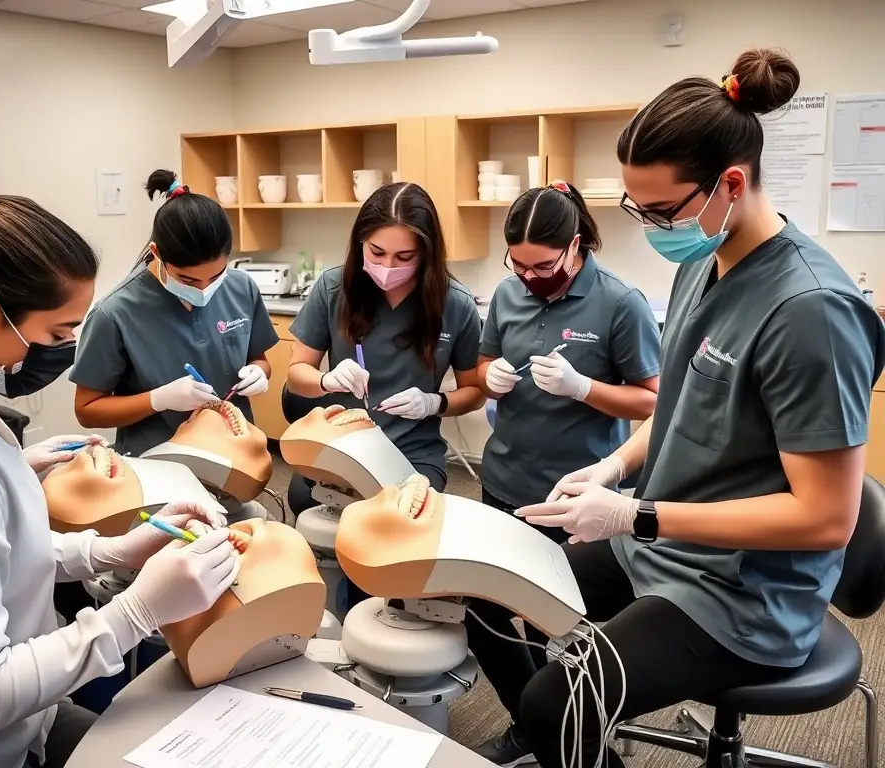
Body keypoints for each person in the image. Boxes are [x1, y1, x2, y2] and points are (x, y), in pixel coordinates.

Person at [475, 48, 885, 768]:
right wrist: (612, 466)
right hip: (667, 545)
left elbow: (827, 518)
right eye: (637, 209)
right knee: (496, 592)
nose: (650, 226)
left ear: (730, 184)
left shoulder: (811, 312)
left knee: (554, 703)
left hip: (745, 594)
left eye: (662, 210)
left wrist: (637, 513)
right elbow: (683, 408)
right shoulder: (703, 261)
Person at [0, 147, 241, 768]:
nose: (64, 349)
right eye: (58, 333)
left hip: (22, 716)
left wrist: (105, 551)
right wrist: (136, 610)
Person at [470, 180, 660, 765]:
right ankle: (534, 722)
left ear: (575, 246)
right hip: (503, 480)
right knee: (485, 614)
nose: (528, 276)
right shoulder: (506, 293)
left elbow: (651, 401)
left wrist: (584, 388)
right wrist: (488, 376)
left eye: (542, 265)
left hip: (576, 496)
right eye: (518, 264)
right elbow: (482, 360)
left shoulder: (619, 302)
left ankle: (570, 734)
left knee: (563, 631)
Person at [286, 182, 485, 493]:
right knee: (305, 499)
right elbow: (297, 376)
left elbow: (474, 392)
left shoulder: (455, 305)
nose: (387, 267)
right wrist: (326, 381)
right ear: (360, 242)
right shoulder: (334, 288)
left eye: (405, 256)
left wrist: (434, 403)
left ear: (427, 253)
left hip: (413, 453)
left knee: (397, 522)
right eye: (376, 252)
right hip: (341, 444)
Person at [71, 169, 279, 458]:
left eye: (216, 275)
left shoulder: (240, 287)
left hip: (233, 455)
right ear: (156, 253)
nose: (206, 289)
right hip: (158, 463)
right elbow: (88, 410)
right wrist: (158, 399)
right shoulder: (115, 314)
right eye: (189, 280)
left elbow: (259, 358)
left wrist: (260, 372)